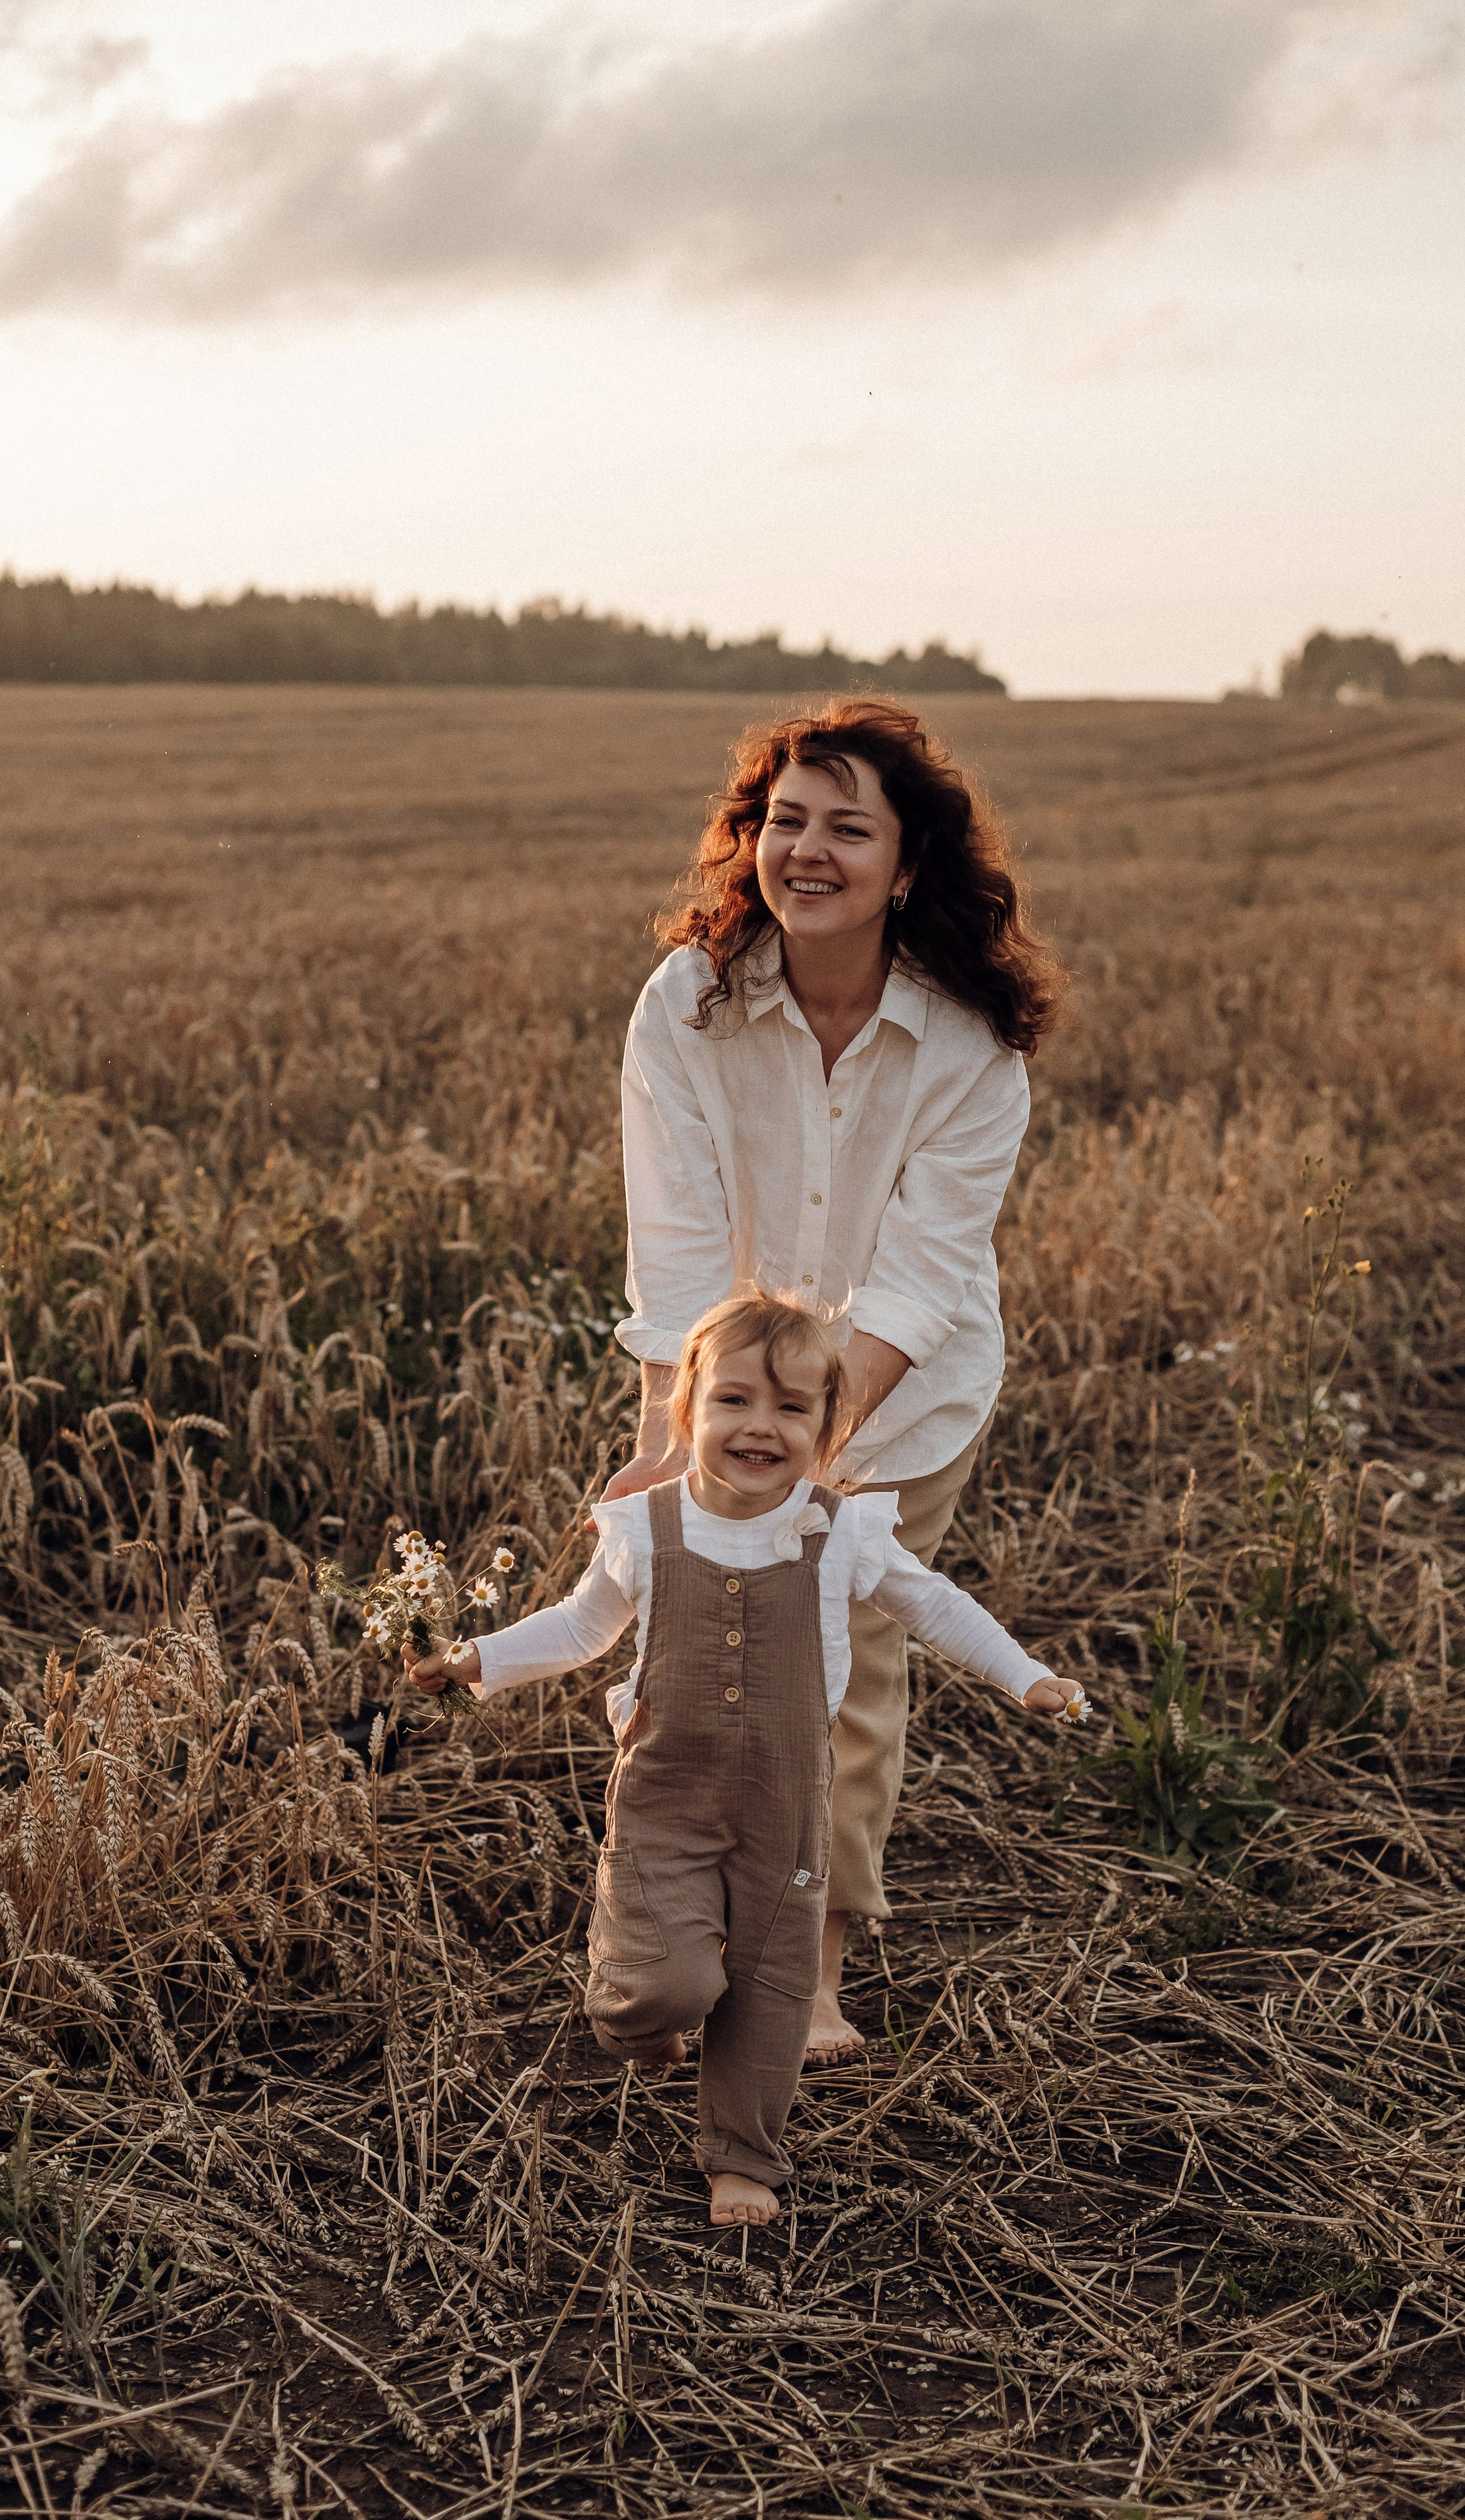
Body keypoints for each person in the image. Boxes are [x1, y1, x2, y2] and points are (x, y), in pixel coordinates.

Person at [406, 1291, 1089, 2230]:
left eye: (792, 1407)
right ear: (687, 1410)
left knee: (771, 1991)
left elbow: (934, 1606)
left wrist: (1026, 1674)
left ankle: (743, 2156)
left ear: (828, 1424)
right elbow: (579, 1627)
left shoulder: (841, 1530)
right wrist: (478, 1658)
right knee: (669, 1984)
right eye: (734, 1401)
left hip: (786, 1808)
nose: (760, 1426)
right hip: (662, 1798)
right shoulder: (643, 1528)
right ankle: (639, 2016)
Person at [599, 699, 1063, 2062]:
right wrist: (693, 1444)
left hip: (900, 1401)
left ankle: (805, 1970)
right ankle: (666, 1937)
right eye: (784, 821)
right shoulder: (683, 1006)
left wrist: (808, 1446)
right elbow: (678, 1252)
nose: (806, 851)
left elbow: (920, 1277)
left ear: (904, 864)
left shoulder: (973, 1040)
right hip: (714, 1384)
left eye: (845, 828)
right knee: (690, 1662)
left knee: (836, 1670)